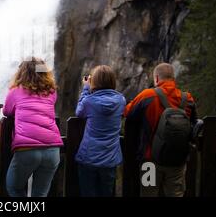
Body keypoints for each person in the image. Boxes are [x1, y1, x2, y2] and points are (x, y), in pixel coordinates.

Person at [124, 63, 197, 197]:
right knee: (175, 194)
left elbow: (127, 112)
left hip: (150, 161)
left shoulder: (147, 95)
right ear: (173, 78)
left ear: (156, 78)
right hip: (177, 161)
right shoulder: (188, 99)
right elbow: (192, 125)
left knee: (148, 194)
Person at [3, 57, 63, 197]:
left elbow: (7, 111)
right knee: (40, 194)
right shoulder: (51, 92)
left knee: (14, 188)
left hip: (27, 150)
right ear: (44, 73)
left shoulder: (15, 92)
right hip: (52, 150)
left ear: (22, 73)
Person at [75, 65, 126, 197]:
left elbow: (79, 112)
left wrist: (86, 88)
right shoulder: (121, 100)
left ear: (94, 81)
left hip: (89, 157)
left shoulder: (89, 101)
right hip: (110, 159)